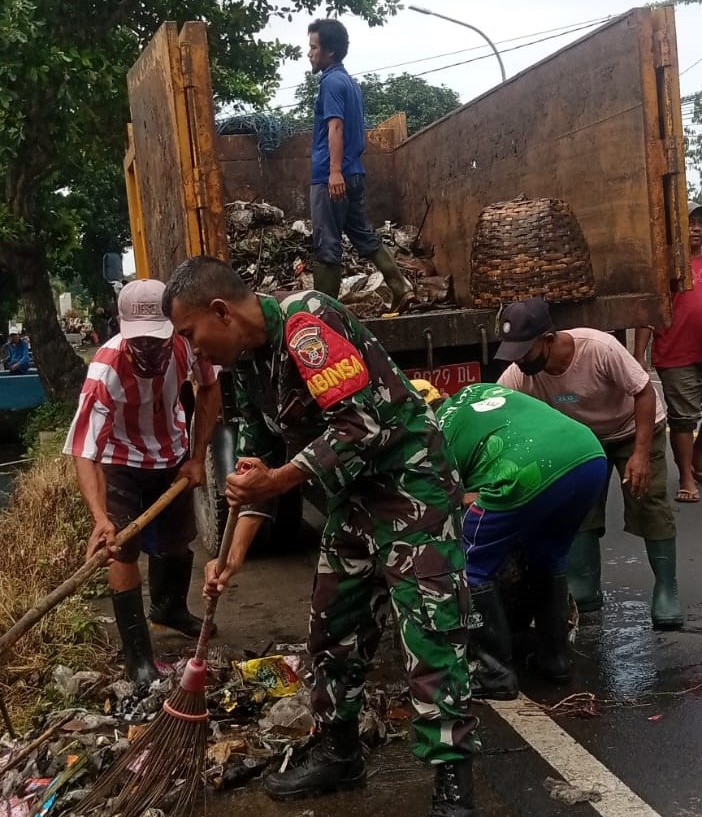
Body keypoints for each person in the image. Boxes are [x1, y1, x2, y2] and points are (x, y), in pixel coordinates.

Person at [163, 255, 479, 817]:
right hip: (354, 497)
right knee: (332, 627)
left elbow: (363, 424)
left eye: (189, 334)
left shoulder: (308, 323)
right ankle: (339, 752)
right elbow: (261, 466)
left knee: (430, 632)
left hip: (411, 486)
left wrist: (278, 479)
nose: (193, 350)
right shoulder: (248, 365)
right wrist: (230, 560)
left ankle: (453, 781)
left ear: (220, 312)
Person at [64, 279, 221, 685]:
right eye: (141, 342)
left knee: (176, 541)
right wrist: (100, 517)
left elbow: (209, 388)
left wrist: (198, 456)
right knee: (122, 549)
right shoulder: (105, 369)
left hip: (172, 454)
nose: (150, 350)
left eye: (158, 341)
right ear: (124, 329)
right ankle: (137, 657)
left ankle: (169, 609)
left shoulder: (188, 345)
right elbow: (85, 450)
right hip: (120, 459)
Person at [495, 298, 683, 630]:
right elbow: (498, 413)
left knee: (649, 500)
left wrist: (640, 454)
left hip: (632, 426)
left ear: (548, 338)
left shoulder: (599, 348)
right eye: (514, 353)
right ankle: (585, 586)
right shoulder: (519, 374)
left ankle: (667, 590)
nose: (520, 361)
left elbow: (643, 392)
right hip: (581, 439)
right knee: (575, 504)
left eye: (526, 351)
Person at [411, 380, 607, 699]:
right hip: (588, 455)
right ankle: (555, 660)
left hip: (529, 469)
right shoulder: (481, 390)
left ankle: (494, 673)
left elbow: (443, 501)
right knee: (548, 554)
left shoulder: (434, 435)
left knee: (470, 563)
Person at [306, 18, 415, 313]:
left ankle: (324, 314)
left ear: (328, 51)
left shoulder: (330, 82)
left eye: (313, 47)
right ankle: (400, 286)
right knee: (361, 233)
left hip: (334, 175)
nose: (309, 53)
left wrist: (334, 172)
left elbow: (336, 128)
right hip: (354, 172)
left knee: (326, 243)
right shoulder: (351, 84)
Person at [634, 201, 702, 502]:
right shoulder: (666, 266)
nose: (696, 229)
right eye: (690, 223)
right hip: (677, 355)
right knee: (684, 419)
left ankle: (696, 460)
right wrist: (638, 357)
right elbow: (648, 313)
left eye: (700, 223)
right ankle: (687, 479)